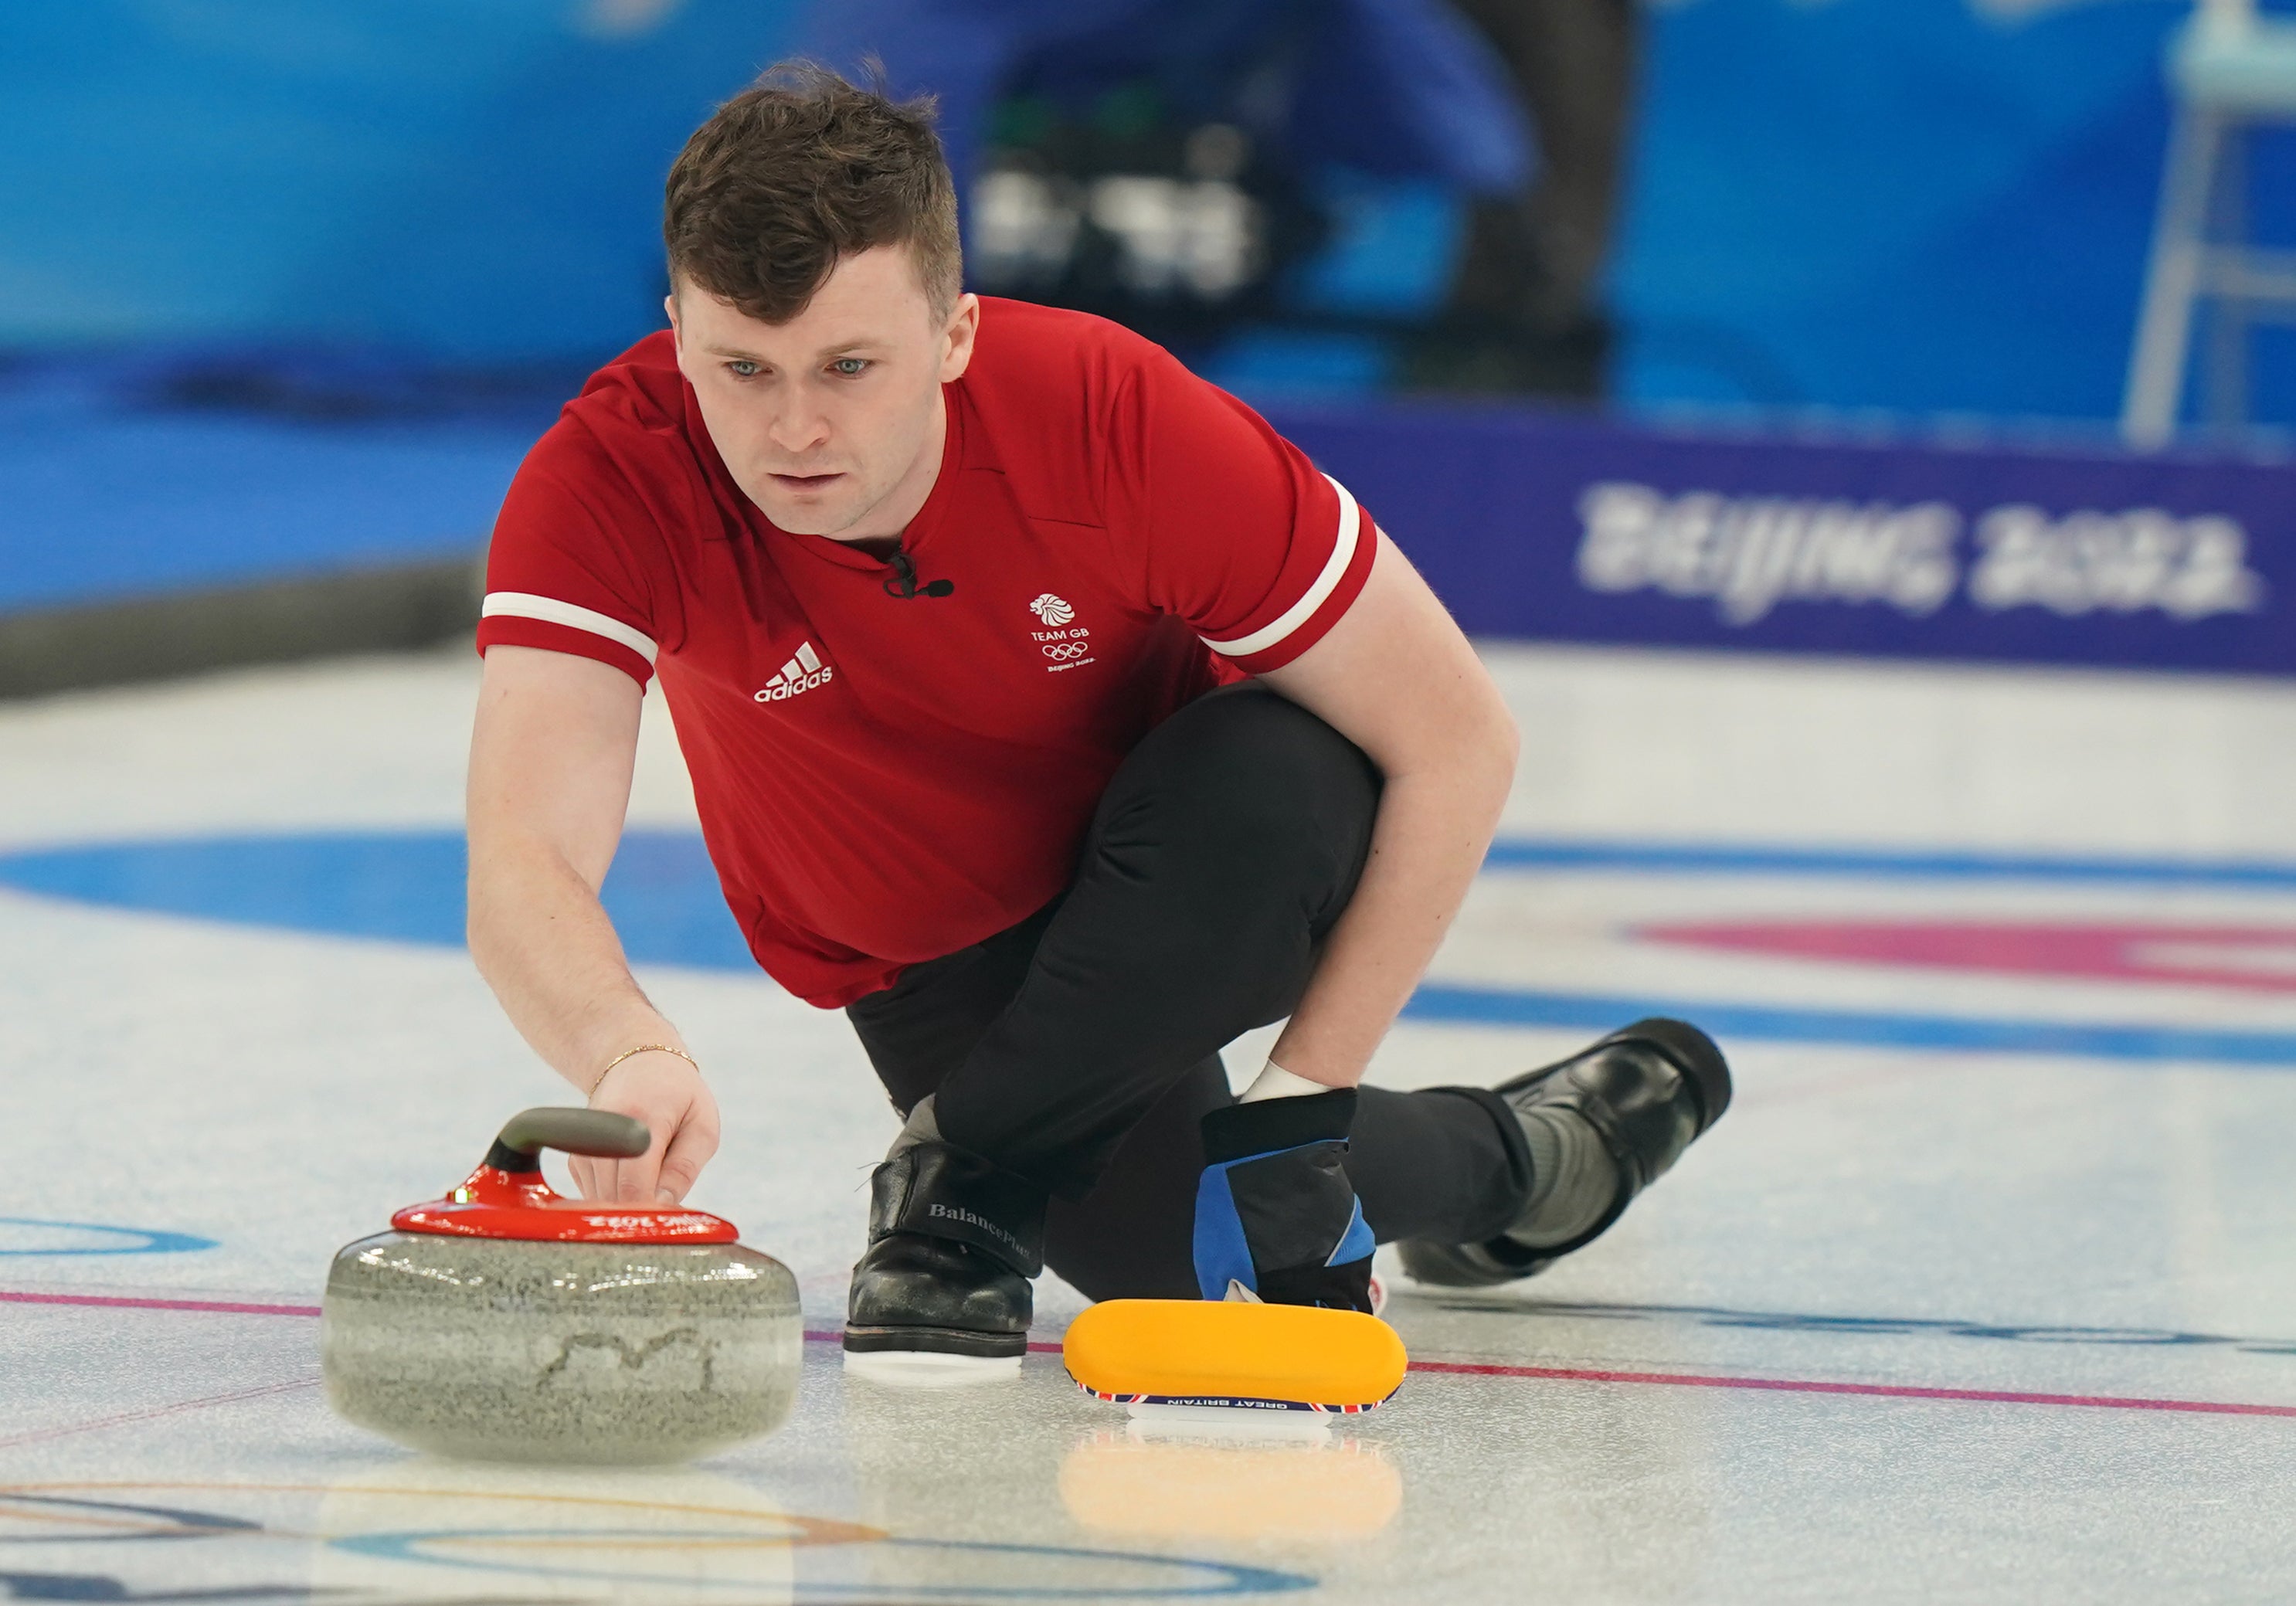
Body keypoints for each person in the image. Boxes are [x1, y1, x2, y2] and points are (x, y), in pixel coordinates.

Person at [465, 63, 1729, 1365]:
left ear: (954, 333)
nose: (795, 429)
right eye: (741, 368)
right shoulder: (606, 478)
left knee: (1283, 779)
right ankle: (1530, 1159)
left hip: (1202, 864)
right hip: (926, 944)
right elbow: (524, 854)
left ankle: (958, 1182)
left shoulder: (1114, 418)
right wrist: (625, 1054)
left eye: (850, 364)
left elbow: (1458, 739)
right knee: (1178, 1254)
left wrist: (1304, 1092)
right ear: (676, 330)